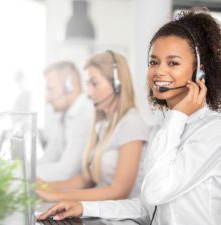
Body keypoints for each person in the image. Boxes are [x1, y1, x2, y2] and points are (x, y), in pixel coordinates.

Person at [38, 8, 221, 225]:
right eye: (153, 62)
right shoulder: (163, 128)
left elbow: (155, 192)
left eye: (173, 63)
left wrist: (178, 115)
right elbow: (146, 206)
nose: (159, 72)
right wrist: (83, 207)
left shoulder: (213, 132)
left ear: (199, 73)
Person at [37, 51, 149, 202]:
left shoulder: (131, 124)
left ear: (117, 85)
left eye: (94, 83)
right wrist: (47, 187)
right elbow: (88, 179)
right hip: (102, 212)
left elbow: (119, 191)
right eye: (88, 84)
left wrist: (59, 196)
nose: (89, 93)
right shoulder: (105, 124)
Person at [37, 61, 94, 181]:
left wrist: (22, 175)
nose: (47, 98)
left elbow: (66, 171)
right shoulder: (63, 115)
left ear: (69, 87)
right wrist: (14, 170)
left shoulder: (85, 115)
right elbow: (49, 158)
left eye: (50, 90)